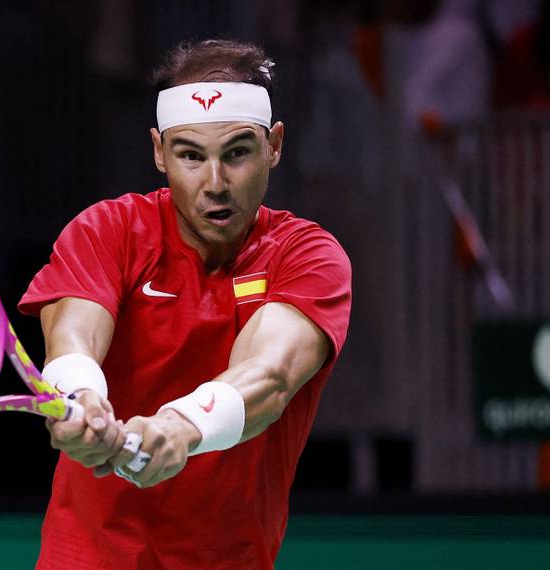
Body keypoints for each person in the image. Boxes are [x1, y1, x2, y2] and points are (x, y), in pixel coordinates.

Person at [18, 39, 352, 569]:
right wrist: (81, 399)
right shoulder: (108, 230)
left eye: (237, 153)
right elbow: (73, 337)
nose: (214, 184)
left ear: (274, 145)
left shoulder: (307, 256)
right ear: (159, 152)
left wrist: (180, 426)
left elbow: (269, 376)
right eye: (190, 156)